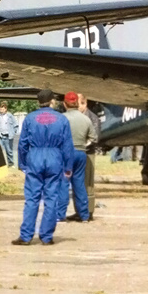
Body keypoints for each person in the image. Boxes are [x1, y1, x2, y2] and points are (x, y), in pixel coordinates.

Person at [13, 89, 74, 246]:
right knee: (51, 197)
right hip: (54, 157)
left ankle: (26, 236)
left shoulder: (30, 118)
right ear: (52, 101)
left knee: (32, 198)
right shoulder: (62, 120)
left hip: (35, 157)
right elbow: (67, 145)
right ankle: (46, 236)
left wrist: (22, 163)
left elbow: (22, 143)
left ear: (38, 102)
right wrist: (68, 166)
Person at [61, 91, 97, 223]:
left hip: (67, 154)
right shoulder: (86, 119)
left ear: (65, 104)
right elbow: (93, 138)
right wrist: (82, 145)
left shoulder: (62, 118)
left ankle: (60, 214)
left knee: (64, 184)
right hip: (81, 153)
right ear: (77, 103)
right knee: (79, 184)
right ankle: (84, 215)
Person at [78, 94, 101, 217]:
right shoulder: (79, 117)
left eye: (78, 105)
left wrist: (81, 145)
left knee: (88, 183)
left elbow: (95, 137)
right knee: (78, 182)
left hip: (88, 153)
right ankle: (80, 211)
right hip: (79, 152)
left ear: (84, 104)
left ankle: (89, 210)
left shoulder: (93, 118)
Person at [0, 102, 19, 167]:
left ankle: (11, 164)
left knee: (9, 151)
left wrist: (13, 132)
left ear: (6, 109)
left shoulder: (10, 116)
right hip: (0, 136)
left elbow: (16, 125)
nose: (1, 110)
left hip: (8, 136)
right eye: (0, 108)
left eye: (3, 109)